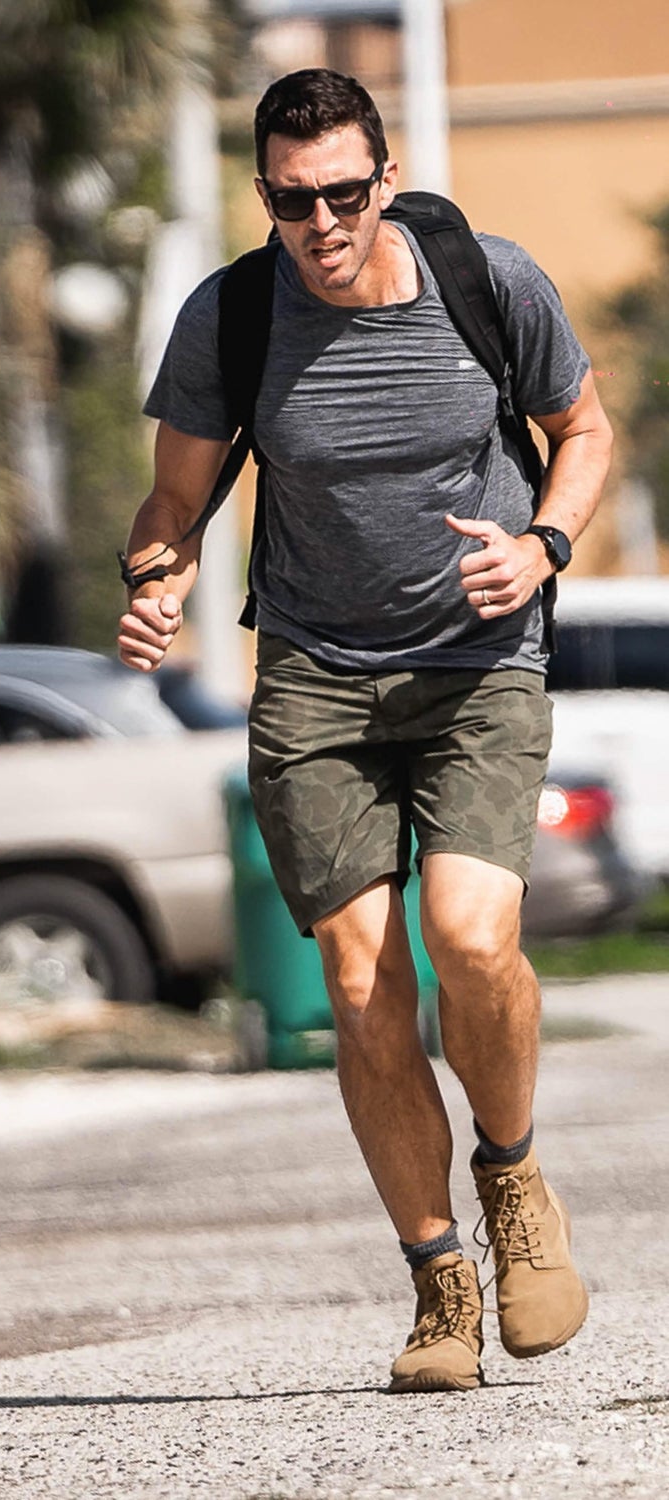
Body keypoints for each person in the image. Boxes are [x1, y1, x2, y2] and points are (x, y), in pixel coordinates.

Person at [119, 69, 612, 1393]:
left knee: (468, 937)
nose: (322, 222)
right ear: (268, 196)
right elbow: (172, 503)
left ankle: (510, 1176)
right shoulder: (231, 317)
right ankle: (440, 1278)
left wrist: (544, 545)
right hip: (318, 679)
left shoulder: (486, 280)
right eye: (294, 200)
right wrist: (154, 584)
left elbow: (585, 430)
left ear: (383, 180)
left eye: (344, 193)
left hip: (477, 666)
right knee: (356, 983)